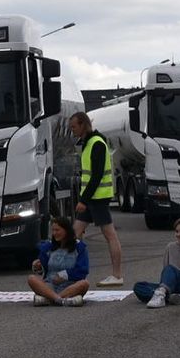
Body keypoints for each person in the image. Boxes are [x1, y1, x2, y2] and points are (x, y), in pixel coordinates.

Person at [68, 111, 124, 287]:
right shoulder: (88, 143)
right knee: (74, 234)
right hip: (92, 198)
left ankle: (116, 275)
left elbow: (97, 175)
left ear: (83, 125)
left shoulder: (97, 143)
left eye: (74, 127)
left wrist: (83, 200)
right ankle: (73, 274)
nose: (72, 131)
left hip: (97, 198)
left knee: (110, 235)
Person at [28, 216, 89, 306]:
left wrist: (65, 275)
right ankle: (60, 300)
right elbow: (42, 269)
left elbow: (83, 271)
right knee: (31, 278)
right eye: (53, 230)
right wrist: (37, 266)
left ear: (66, 230)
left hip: (70, 285)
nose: (54, 233)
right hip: (50, 285)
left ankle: (49, 299)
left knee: (84, 283)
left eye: (57, 230)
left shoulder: (79, 247)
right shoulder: (48, 246)